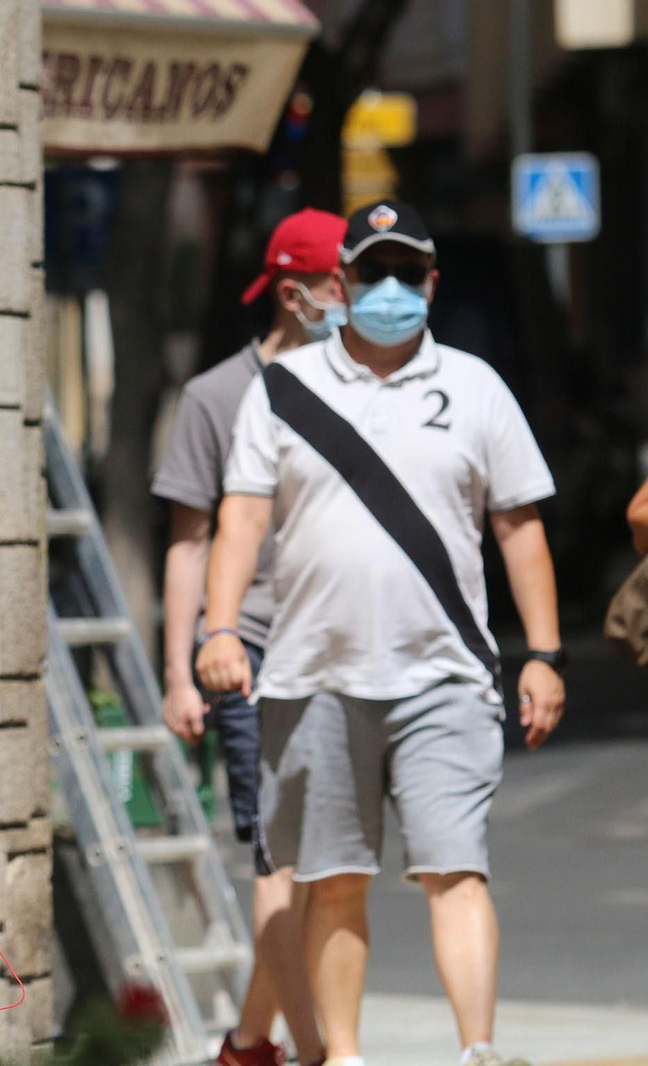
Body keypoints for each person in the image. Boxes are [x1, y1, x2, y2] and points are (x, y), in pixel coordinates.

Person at [197, 200, 565, 1066]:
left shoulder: (476, 387)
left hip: (445, 676)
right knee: (333, 882)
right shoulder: (283, 391)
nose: (390, 289)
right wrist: (219, 630)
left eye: (408, 274)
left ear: (432, 284)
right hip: (313, 676)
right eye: (373, 273)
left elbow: (520, 528)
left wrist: (544, 654)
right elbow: (242, 517)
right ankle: (347, 1058)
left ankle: (477, 1051)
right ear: (341, 283)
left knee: (456, 869)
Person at [152, 208, 344, 1066]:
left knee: (324, 871)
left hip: (347, 651)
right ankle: (320, 1054)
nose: (367, 297)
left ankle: (248, 1043)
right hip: (252, 650)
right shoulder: (218, 397)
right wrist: (180, 671)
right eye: (350, 281)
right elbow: (189, 542)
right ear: (299, 293)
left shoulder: (371, 386)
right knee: (280, 862)